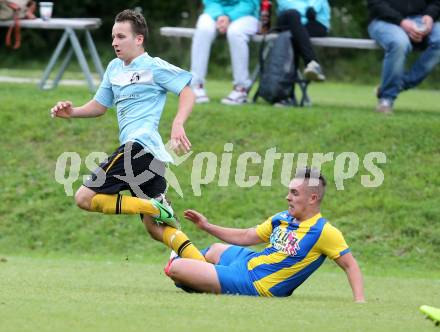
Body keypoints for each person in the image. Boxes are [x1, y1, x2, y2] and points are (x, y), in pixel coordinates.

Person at [50, 9, 205, 262]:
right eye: (113, 37)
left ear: (139, 39)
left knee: (84, 198)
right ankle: (204, 267)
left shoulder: (153, 66)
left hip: (140, 147)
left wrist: (178, 123)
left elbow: (187, 91)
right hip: (147, 155)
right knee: (158, 229)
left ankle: (153, 207)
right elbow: (100, 105)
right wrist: (73, 112)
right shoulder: (114, 68)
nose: (114, 42)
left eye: (121, 37)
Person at [164, 168, 365, 301]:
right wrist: (207, 226)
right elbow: (247, 236)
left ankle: (189, 273)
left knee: (177, 268)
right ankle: (198, 277)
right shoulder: (283, 218)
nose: (288, 197)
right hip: (250, 262)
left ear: (312, 198)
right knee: (215, 249)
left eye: (294, 193)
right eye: (289, 191)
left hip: (257, 283)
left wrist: (360, 301)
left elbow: (350, 264)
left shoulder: (324, 231)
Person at [367, 0, 440, 113]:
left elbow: (436, 2)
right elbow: (375, 4)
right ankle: (386, 100)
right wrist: (402, 22)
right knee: (399, 43)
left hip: (420, 19)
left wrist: (430, 15)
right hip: (384, 20)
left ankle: (398, 85)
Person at [190, 0, 260, 105]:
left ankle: (241, 89)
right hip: (215, 14)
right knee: (204, 29)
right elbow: (210, 2)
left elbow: (249, 4)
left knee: (235, 32)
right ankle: (196, 85)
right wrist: (220, 16)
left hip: (246, 15)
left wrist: (229, 17)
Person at [276, 0, 330, 84]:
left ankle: (286, 89)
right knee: (293, 15)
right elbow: (286, 3)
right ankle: (312, 63)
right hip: (292, 19)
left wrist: (312, 8)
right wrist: (307, 9)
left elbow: (314, 10)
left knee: (294, 35)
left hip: (315, 22)